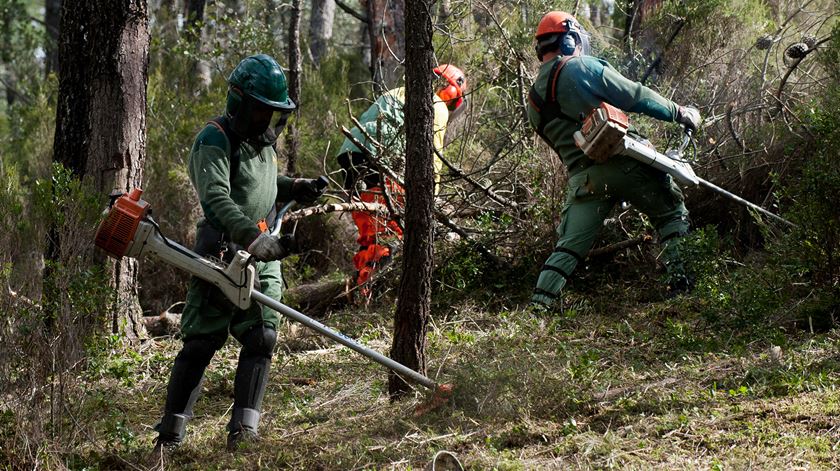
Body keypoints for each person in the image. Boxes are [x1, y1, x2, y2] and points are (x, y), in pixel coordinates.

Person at [153, 54, 326, 453]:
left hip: (260, 254)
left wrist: (293, 186)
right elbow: (216, 196)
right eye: (262, 111)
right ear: (241, 104)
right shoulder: (214, 138)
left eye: (273, 113)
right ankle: (170, 438)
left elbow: (260, 183)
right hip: (221, 253)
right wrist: (249, 236)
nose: (267, 121)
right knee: (201, 343)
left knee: (262, 335)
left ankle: (244, 432)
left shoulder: (261, 143)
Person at [527, 11, 702, 309]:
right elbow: (635, 95)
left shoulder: (533, 101)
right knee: (671, 213)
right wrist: (679, 112)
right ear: (570, 40)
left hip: (585, 180)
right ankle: (682, 289)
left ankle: (540, 305)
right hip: (628, 161)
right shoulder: (580, 67)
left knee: (568, 247)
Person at [336, 65, 467, 299]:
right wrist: (431, 197)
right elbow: (431, 156)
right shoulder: (436, 105)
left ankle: (357, 287)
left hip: (351, 158)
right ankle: (371, 296)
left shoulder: (397, 91)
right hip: (381, 163)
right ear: (452, 94)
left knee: (371, 233)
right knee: (390, 233)